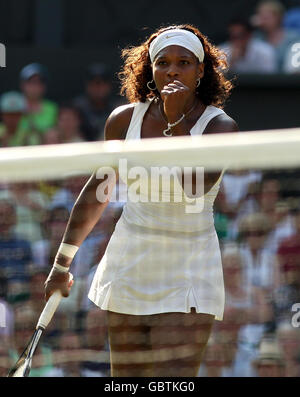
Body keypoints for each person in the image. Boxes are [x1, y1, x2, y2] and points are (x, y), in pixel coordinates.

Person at [44, 24, 239, 377]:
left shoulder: (220, 127)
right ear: (150, 69)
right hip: (129, 263)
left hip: (190, 268)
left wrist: (176, 119)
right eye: (163, 62)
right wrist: (61, 265)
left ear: (200, 71)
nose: (173, 70)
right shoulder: (122, 121)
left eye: (184, 62)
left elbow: (193, 188)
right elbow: (97, 192)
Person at [251, 0, 300, 71]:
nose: (263, 21)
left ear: (279, 17)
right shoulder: (256, 37)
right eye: (261, 17)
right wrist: (251, 27)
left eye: (267, 17)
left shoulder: (294, 37)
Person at [73, 63, 116, 141]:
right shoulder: (77, 108)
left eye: (102, 83)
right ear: (87, 85)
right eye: (95, 83)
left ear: (109, 86)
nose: (98, 87)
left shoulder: (117, 109)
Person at [19, 63, 58, 142]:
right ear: (22, 85)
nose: (35, 87)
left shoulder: (52, 108)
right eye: (31, 82)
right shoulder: (13, 106)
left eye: (39, 82)